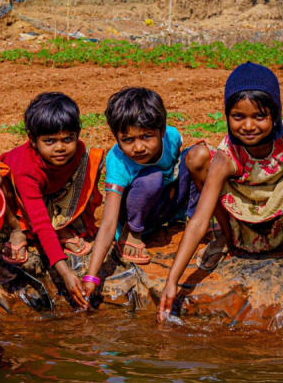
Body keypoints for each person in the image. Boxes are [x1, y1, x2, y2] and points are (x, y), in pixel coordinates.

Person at [157, 61, 283, 322]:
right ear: (227, 117)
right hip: (243, 230)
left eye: (259, 116)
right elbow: (200, 219)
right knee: (198, 157)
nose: (248, 126)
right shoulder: (227, 157)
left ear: (275, 116)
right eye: (238, 117)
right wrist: (172, 280)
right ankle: (224, 237)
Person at [82, 87, 206, 300]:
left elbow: (178, 168)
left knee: (198, 156)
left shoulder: (172, 137)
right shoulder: (118, 161)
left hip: (164, 203)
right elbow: (109, 222)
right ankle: (134, 233)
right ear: (117, 138)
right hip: (135, 213)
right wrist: (92, 276)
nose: (138, 147)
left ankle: (194, 219)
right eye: (128, 140)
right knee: (152, 177)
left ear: (161, 130)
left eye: (147, 136)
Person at [0, 93, 104, 309]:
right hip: (16, 199)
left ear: (77, 135)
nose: (60, 148)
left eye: (67, 139)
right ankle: (17, 229)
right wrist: (66, 273)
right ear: (33, 140)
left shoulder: (77, 152)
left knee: (91, 160)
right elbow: (40, 223)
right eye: (49, 141)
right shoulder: (26, 168)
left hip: (50, 193)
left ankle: (62, 224)